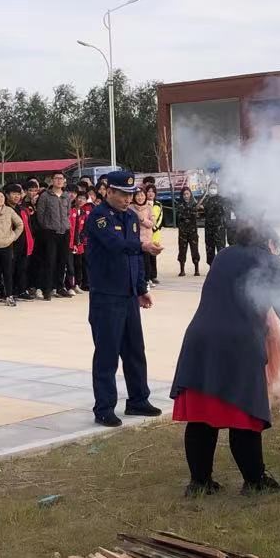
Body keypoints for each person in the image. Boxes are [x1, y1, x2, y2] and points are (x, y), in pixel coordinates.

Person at [170, 217, 280, 496]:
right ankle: (254, 482)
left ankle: (199, 483)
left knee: (202, 418)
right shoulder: (271, 263)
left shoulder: (223, 255)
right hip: (238, 345)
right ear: (271, 243)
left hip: (201, 339)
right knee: (244, 414)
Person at [84, 171, 162, 428]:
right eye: (123, 194)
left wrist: (141, 288)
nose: (128, 199)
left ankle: (138, 399)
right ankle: (104, 407)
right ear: (109, 192)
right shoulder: (99, 217)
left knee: (134, 350)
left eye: (131, 194)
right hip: (106, 295)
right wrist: (142, 247)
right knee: (107, 353)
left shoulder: (130, 217)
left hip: (128, 294)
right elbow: (115, 245)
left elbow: (135, 259)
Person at [35, 171, 72, 300]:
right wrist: (47, 226)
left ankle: (60, 287)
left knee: (62, 261)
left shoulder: (67, 196)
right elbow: (40, 214)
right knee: (49, 261)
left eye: (61, 178)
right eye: (56, 178)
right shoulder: (45, 196)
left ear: (64, 181)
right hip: (50, 232)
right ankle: (47, 288)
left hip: (64, 231)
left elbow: (68, 213)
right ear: (52, 180)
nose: (59, 181)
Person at [7, 184, 36, 301]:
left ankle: (22, 290)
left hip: (25, 243)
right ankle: (10, 291)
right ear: (7, 195)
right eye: (13, 194)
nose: (16, 196)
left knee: (22, 268)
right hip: (11, 243)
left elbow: (28, 227)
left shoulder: (23, 209)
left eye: (18, 194)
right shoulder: (5, 209)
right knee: (10, 269)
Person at [176, 186, 201, 277]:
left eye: (187, 193)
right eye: (184, 194)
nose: (186, 196)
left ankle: (196, 269)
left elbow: (197, 216)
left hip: (193, 232)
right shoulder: (179, 205)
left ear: (190, 194)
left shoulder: (195, 204)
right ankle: (182, 270)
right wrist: (191, 211)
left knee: (195, 250)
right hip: (183, 232)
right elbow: (180, 215)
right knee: (182, 250)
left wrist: (195, 210)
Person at [69, 191, 90, 292]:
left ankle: (77, 284)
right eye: (79, 198)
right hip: (69, 242)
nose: (81, 200)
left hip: (79, 243)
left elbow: (85, 228)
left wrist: (80, 240)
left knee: (78, 264)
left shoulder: (83, 213)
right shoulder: (70, 210)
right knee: (69, 265)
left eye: (84, 199)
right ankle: (69, 286)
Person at [202, 181, 227, 264]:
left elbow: (225, 212)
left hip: (219, 229)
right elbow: (201, 211)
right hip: (209, 229)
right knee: (209, 249)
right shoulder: (206, 200)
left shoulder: (222, 199)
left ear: (218, 189)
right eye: (211, 188)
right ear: (208, 189)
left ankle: (222, 266)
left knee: (221, 249)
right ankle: (211, 267)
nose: (213, 189)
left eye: (214, 188)